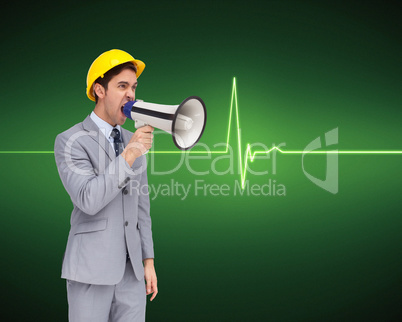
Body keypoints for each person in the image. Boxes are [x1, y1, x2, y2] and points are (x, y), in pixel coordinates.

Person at [54, 49, 157, 321]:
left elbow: (141, 206)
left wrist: (148, 260)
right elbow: (88, 199)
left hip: (132, 273)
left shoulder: (131, 138)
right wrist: (130, 154)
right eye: (122, 86)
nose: (131, 95)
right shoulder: (70, 140)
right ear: (99, 90)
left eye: (133, 87)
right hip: (90, 270)